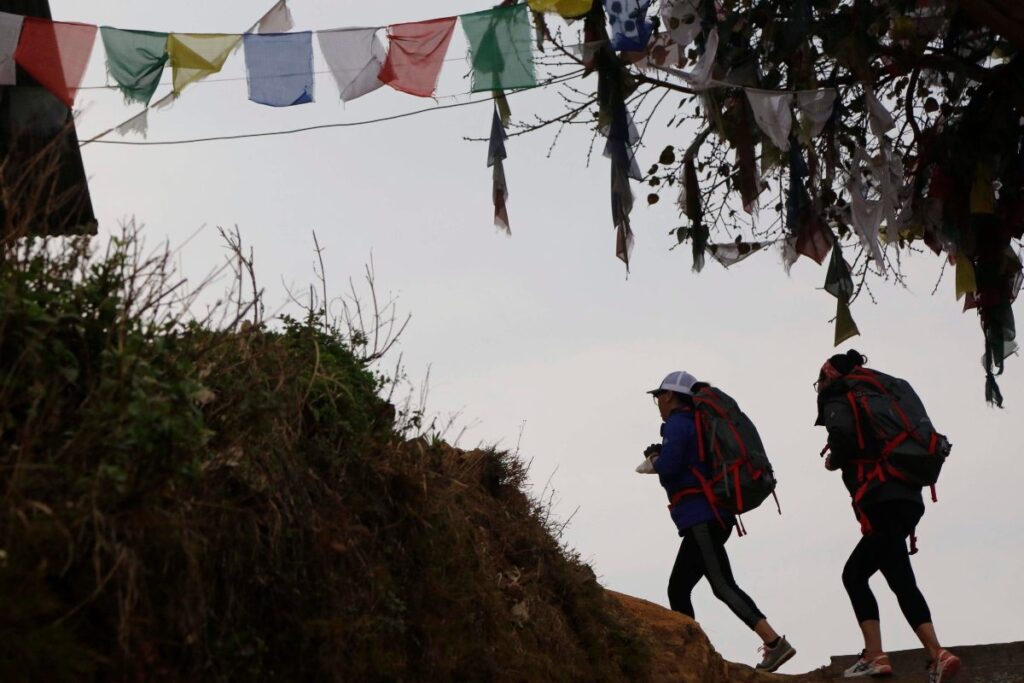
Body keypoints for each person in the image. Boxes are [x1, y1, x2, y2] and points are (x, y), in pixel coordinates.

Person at [815, 350, 960, 682]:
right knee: (900, 579)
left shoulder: (838, 394)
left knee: (854, 575)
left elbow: (844, 437)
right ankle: (937, 654)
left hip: (881, 496)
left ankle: (877, 655)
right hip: (908, 495)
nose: (818, 387)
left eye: (818, 381)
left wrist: (834, 459)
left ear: (828, 376)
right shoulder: (884, 389)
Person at [642, 370, 795, 673]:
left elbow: (670, 468)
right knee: (682, 587)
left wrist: (656, 458)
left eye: (658, 396)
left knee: (720, 585)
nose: (657, 402)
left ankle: (773, 643)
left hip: (702, 517)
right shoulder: (698, 423)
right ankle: (696, 652)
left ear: (669, 396)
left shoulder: (678, 423)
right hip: (713, 514)